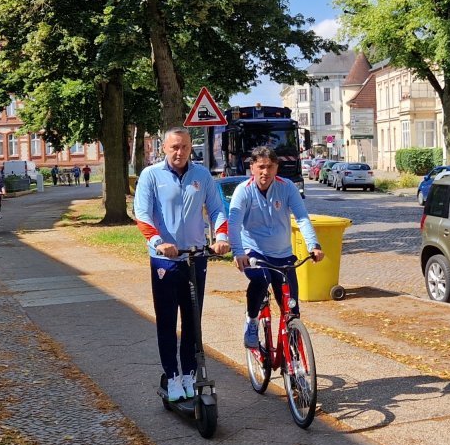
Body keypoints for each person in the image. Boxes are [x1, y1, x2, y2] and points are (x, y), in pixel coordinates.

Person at [133, 127, 230, 402]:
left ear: (191, 148)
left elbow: (217, 209)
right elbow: (141, 214)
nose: (179, 152)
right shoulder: (151, 176)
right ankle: (172, 376)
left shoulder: (201, 175)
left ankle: (189, 373)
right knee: (166, 320)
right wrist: (158, 241)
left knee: (192, 321)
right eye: (174, 147)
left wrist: (221, 237)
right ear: (164, 148)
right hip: (166, 260)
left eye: (184, 147)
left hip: (196, 257)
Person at [227, 146, 324, 348]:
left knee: (291, 308)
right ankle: (252, 321)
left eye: (270, 167)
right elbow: (233, 224)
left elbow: (302, 217)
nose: (265, 172)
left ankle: (294, 356)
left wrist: (313, 245)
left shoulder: (286, 187)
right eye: (261, 167)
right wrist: (237, 253)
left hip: (283, 255)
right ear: (252, 167)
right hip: (254, 253)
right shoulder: (243, 191)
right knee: (261, 279)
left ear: (276, 168)